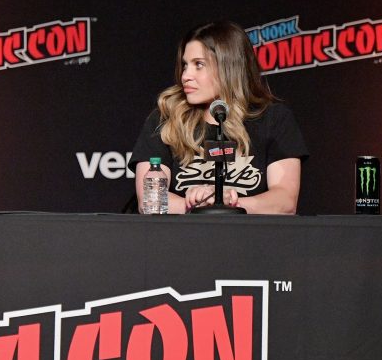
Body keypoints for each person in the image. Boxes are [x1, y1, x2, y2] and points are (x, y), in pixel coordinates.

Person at [129, 20, 308, 214]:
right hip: (181, 239)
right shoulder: (166, 118)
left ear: (229, 67)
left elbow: (285, 201)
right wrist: (195, 206)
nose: (186, 75)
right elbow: (149, 200)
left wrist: (230, 205)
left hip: (251, 240)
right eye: (185, 65)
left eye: (199, 64)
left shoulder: (274, 119)